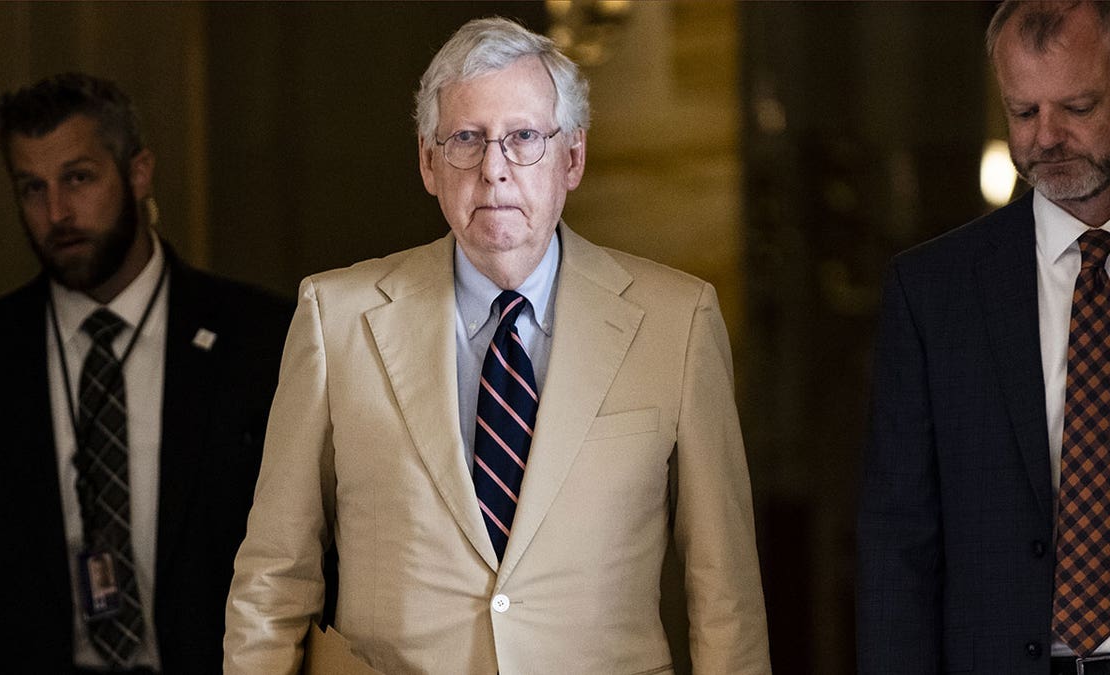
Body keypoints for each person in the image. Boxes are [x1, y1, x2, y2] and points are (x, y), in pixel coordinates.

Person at [224, 16, 770, 675]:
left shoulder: (677, 320)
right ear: (428, 162)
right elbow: (275, 572)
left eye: (523, 139)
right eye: (466, 139)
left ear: (572, 158)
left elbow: (725, 595)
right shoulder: (334, 316)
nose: (494, 169)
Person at [0, 72, 294, 673]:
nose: (57, 213)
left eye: (78, 178)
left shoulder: (264, 343)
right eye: (31, 188)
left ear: (138, 171)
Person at [857, 2, 1110, 673]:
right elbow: (899, 545)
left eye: (1077, 106)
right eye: (1023, 111)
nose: (1047, 136)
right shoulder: (934, 291)